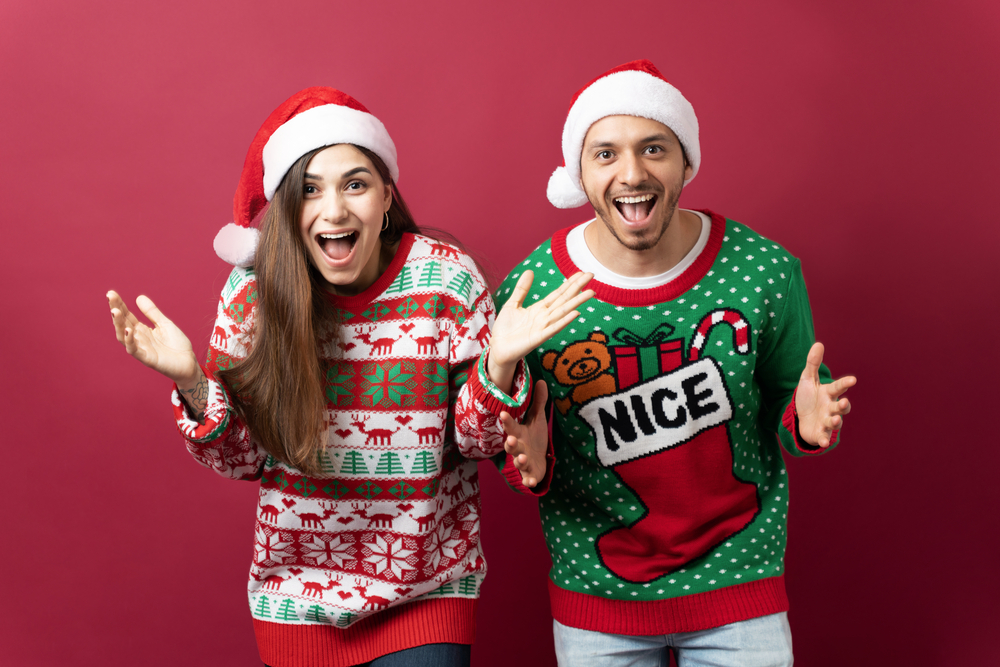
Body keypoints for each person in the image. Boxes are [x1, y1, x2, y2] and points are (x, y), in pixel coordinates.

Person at [106, 87, 592, 667]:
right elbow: (244, 460)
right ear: (289, 208)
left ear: (386, 198)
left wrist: (498, 366)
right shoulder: (251, 295)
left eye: (355, 184)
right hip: (295, 600)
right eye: (310, 190)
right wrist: (191, 382)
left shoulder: (444, 277)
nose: (334, 210)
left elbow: (475, 442)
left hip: (426, 591)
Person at [487, 60, 857, 666]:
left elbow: (798, 413)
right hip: (599, 599)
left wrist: (809, 426)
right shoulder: (536, 291)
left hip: (740, 587)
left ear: (686, 162)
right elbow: (519, 453)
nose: (632, 172)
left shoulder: (764, 271)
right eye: (605, 154)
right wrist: (525, 458)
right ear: (579, 173)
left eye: (654, 148)